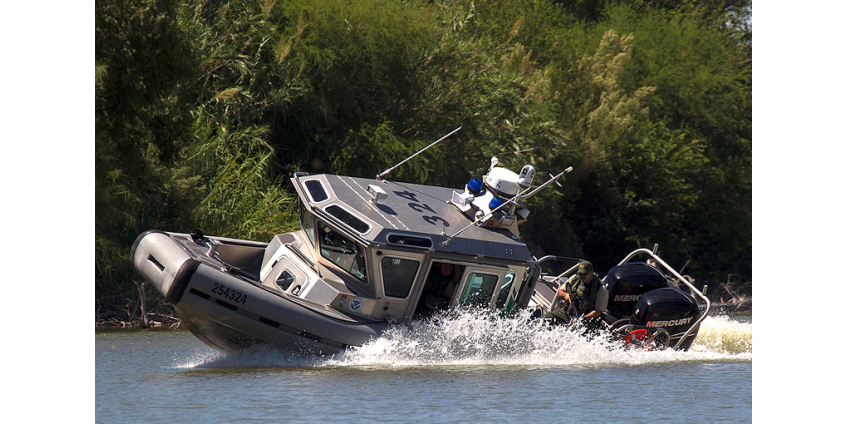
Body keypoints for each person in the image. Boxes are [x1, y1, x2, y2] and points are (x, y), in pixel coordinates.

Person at [544, 261, 608, 329]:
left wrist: (582, 319)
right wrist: (566, 296)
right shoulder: (575, 279)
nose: (582, 276)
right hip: (568, 313)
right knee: (545, 319)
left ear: (591, 273)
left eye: (584, 274)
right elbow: (560, 292)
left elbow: (597, 312)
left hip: (587, 319)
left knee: (572, 331)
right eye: (580, 274)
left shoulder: (600, 288)